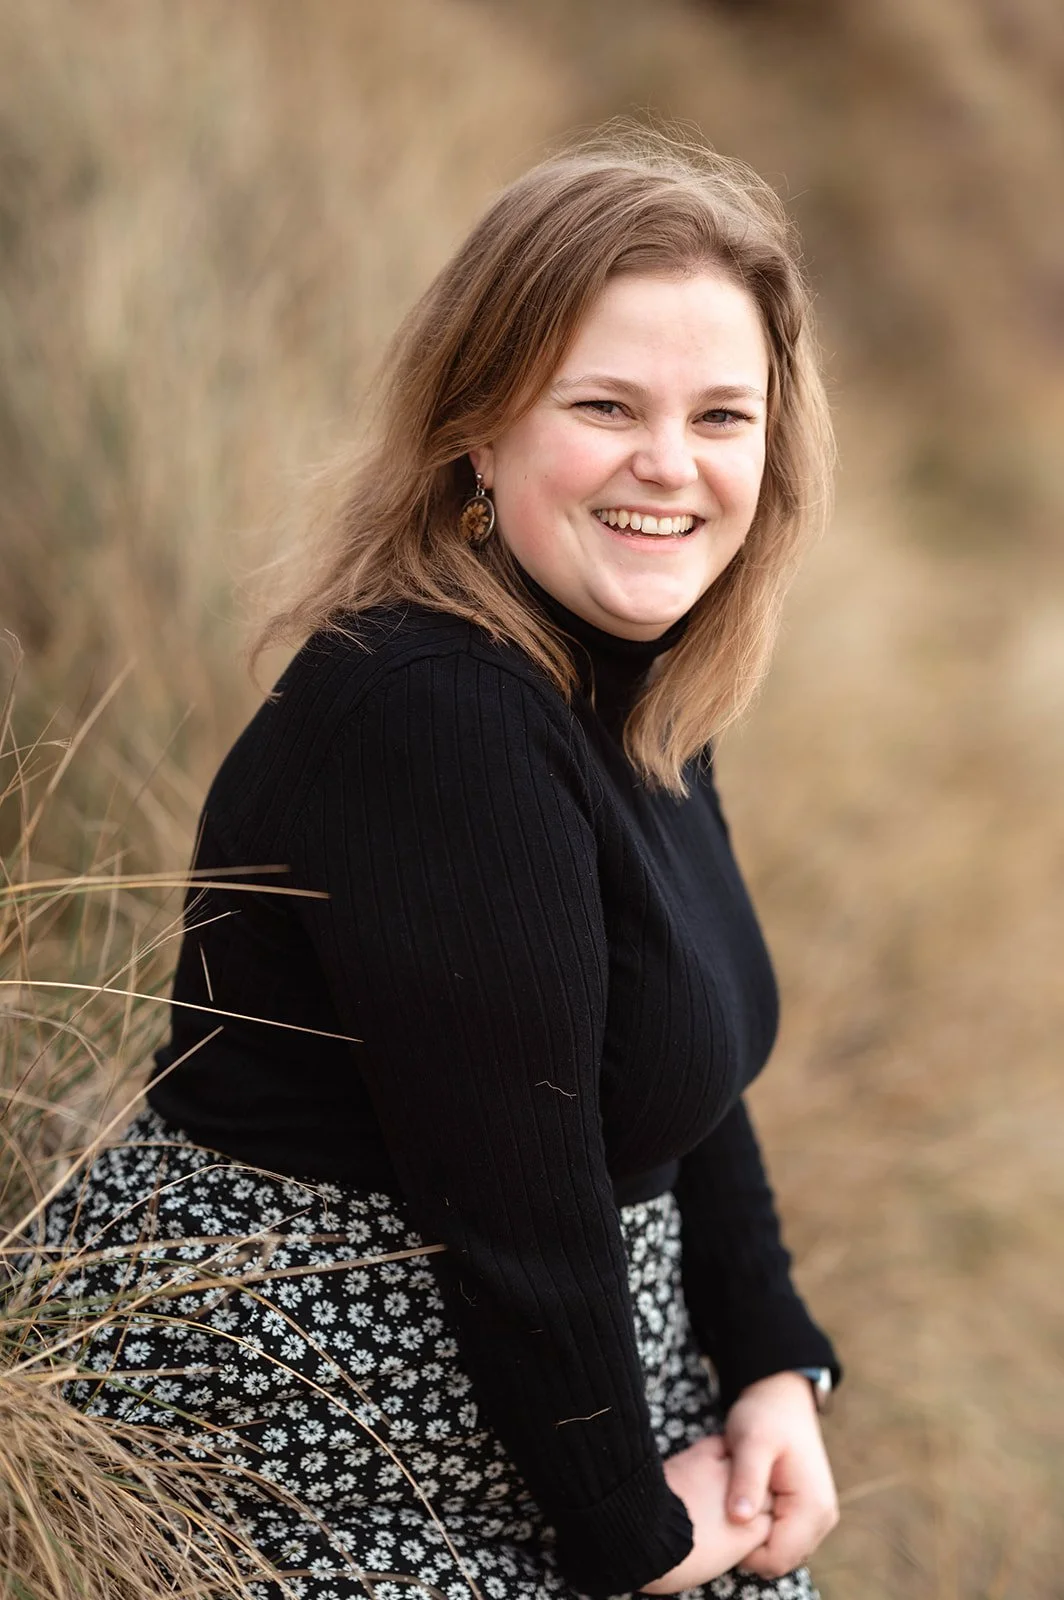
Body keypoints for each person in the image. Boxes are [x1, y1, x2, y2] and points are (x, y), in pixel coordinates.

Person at [44, 129, 842, 1600]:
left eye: (723, 416)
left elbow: (685, 1069)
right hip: (323, 1436)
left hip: (548, 1394)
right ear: (479, 429)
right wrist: (633, 1534)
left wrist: (776, 1363)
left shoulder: (636, 678)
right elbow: (516, 1192)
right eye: (606, 406)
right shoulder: (438, 713)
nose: (671, 466)